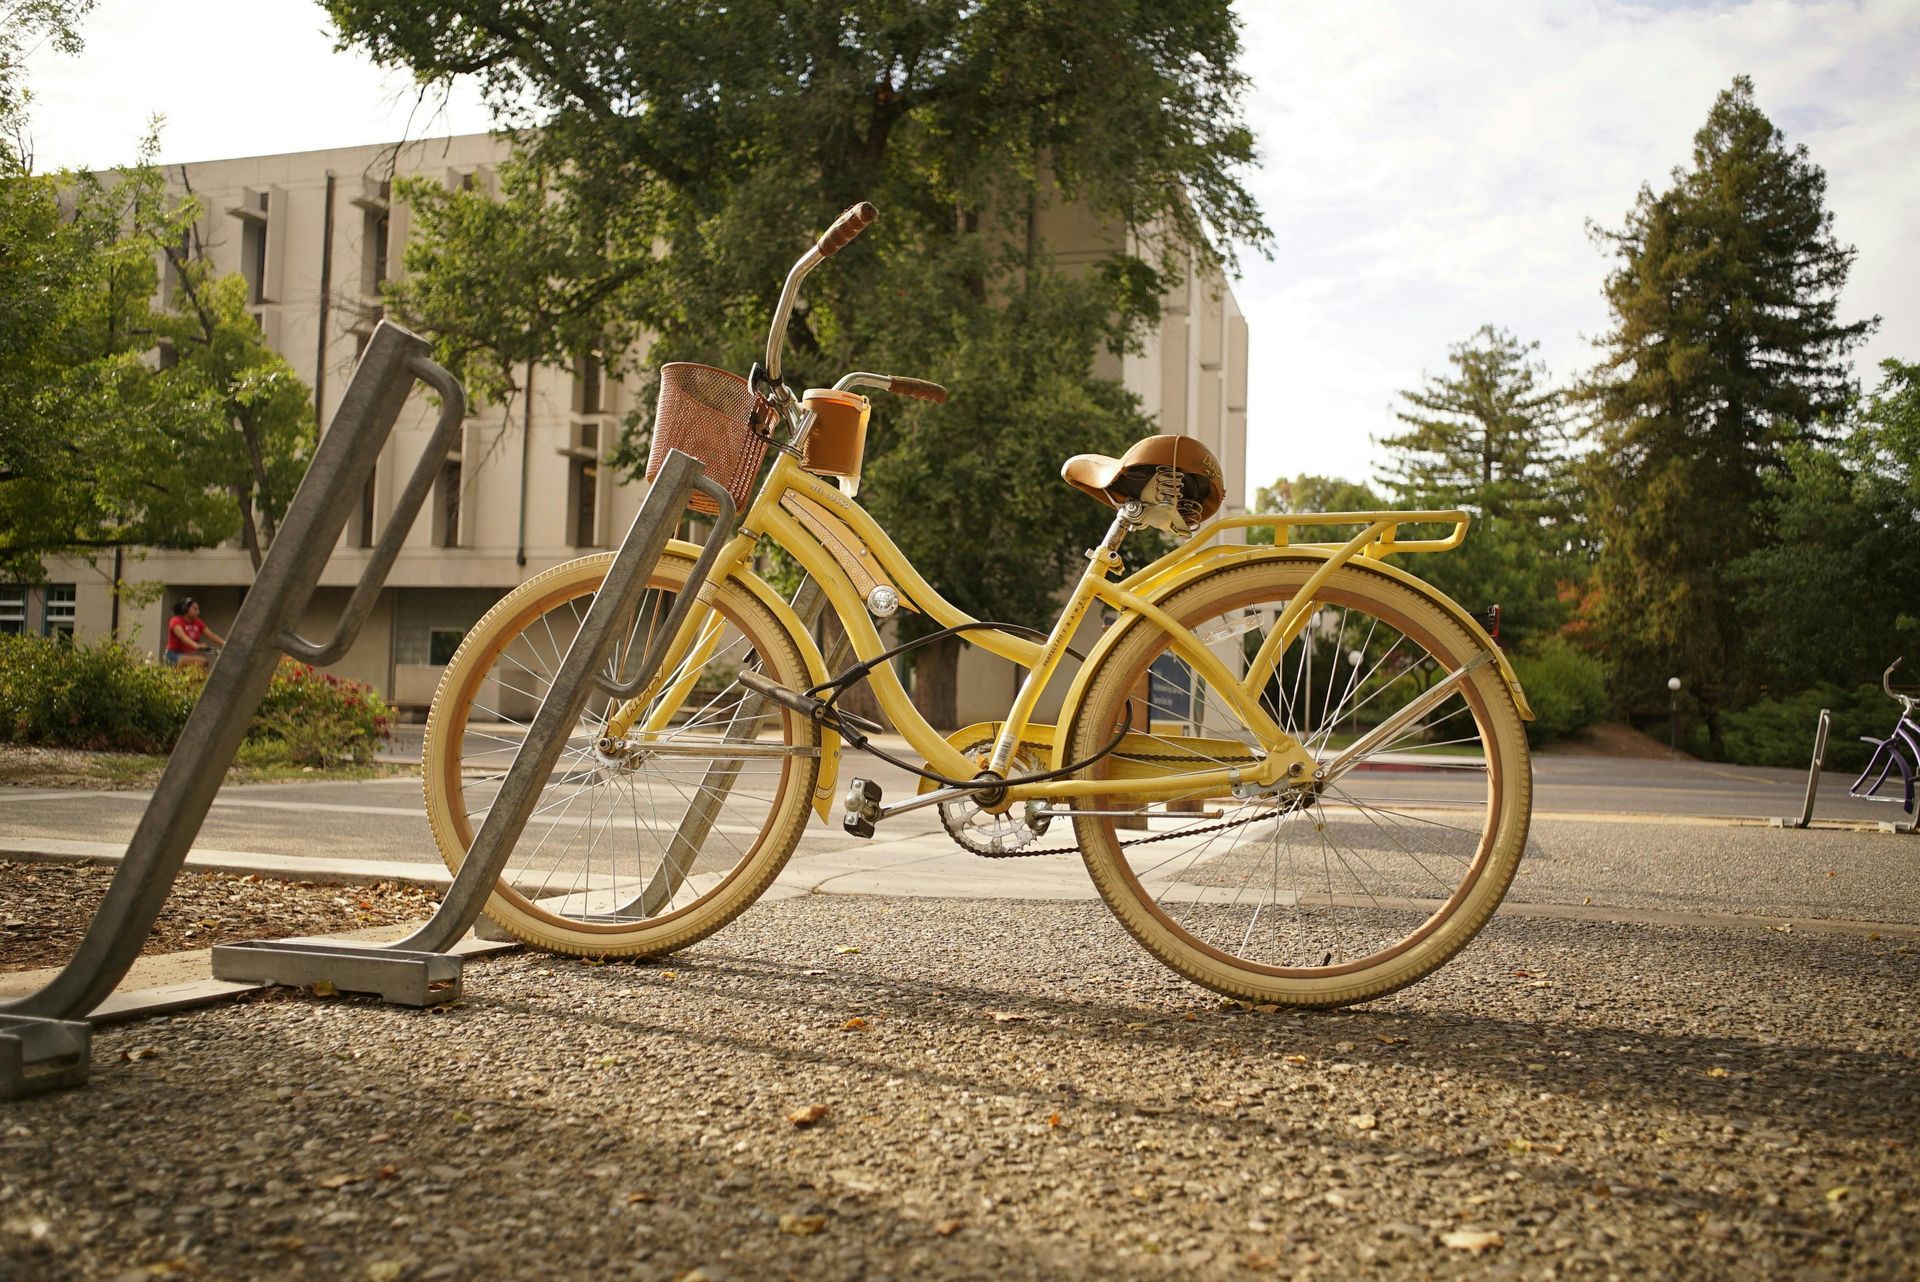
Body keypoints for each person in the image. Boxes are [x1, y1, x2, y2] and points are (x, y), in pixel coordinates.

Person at [164, 597, 225, 669]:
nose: (198, 612)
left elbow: (211, 635)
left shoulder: (198, 622)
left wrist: (225, 644)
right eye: (195, 609)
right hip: (173, 655)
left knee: (203, 664)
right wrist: (197, 646)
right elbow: (183, 637)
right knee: (202, 661)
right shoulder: (175, 621)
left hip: (187, 655)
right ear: (186, 609)